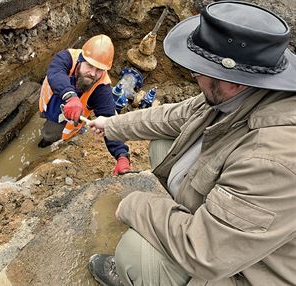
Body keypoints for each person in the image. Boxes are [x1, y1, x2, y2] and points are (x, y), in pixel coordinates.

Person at [87, 1, 296, 286]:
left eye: (199, 69)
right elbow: (176, 116)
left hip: (251, 270)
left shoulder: (273, 159)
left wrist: (134, 205)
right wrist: (111, 125)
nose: (194, 75)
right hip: (238, 230)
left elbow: (205, 253)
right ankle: (196, 215)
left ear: (231, 81)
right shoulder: (244, 93)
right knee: (163, 144)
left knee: (135, 252)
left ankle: (141, 274)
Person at [38, 34, 132, 175]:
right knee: (43, 116)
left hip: (63, 120)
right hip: (47, 103)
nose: (93, 73)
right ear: (82, 59)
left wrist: (121, 154)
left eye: (99, 70)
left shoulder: (102, 88)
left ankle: (45, 143)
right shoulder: (67, 57)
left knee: (48, 134)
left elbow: (108, 120)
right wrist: (71, 97)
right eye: (90, 66)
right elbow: (55, 73)